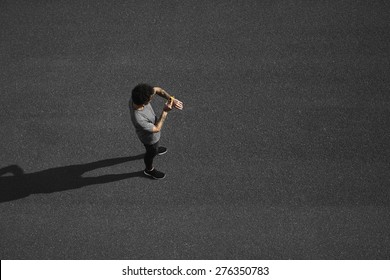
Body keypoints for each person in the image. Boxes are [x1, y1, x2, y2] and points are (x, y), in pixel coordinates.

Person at [129, 83, 183, 179]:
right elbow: (157, 128)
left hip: (152, 133)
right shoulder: (139, 119)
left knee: (155, 148)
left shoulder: (137, 96)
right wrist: (165, 111)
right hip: (149, 138)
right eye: (150, 99)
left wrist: (171, 98)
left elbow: (158, 90)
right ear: (144, 103)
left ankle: (156, 149)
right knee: (151, 152)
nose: (151, 98)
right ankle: (149, 170)